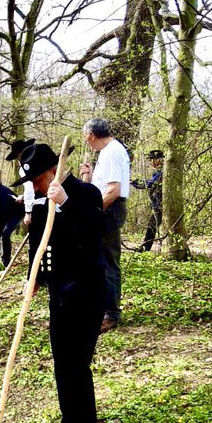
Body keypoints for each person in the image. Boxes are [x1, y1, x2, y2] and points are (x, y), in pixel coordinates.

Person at [11, 143, 105, 423]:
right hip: (60, 295)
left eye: (36, 178)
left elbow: (95, 232)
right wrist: (33, 279)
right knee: (62, 362)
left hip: (86, 293)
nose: (33, 185)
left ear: (52, 170)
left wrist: (65, 202)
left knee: (77, 364)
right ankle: (71, 422)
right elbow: (39, 248)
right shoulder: (40, 203)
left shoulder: (85, 193)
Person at [79, 118, 129, 332]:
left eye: (86, 139)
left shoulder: (111, 152)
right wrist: (89, 178)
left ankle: (111, 314)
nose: (87, 144)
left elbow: (112, 191)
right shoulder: (108, 151)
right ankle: (101, 308)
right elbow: (102, 187)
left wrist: (93, 211)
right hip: (105, 211)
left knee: (108, 263)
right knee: (98, 262)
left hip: (109, 212)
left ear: (91, 135)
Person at [131, 149, 164, 253]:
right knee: (152, 227)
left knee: (152, 227)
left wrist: (135, 182)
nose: (151, 162)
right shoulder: (159, 172)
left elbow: (149, 184)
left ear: (158, 160)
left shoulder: (162, 172)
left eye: (152, 159)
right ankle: (144, 248)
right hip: (157, 205)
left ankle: (144, 249)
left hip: (160, 206)